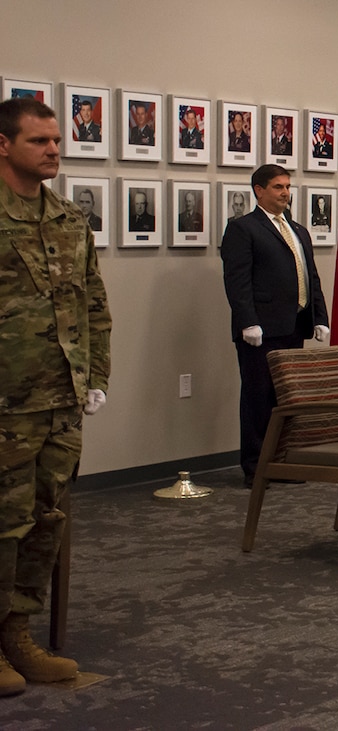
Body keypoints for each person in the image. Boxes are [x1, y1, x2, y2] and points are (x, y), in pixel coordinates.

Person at [0, 97, 111, 696]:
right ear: (3, 145)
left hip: (59, 402)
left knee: (45, 521)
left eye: (56, 142)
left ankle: (18, 634)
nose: (52, 151)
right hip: (5, 403)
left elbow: (93, 304)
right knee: (2, 524)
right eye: (39, 141)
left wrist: (97, 377)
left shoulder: (69, 219)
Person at [221, 164, 329, 487]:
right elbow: (236, 281)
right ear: (259, 190)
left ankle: (283, 462)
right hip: (261, 331)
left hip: (294, 324)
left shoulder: (298, 230)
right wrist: (247, 322)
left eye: (287, 187)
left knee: (288, 398)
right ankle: (256, 468)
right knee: (258, 397)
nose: (285, 193)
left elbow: (311, 277)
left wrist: (320, 317)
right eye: (278, 187)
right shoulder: (244, 229)